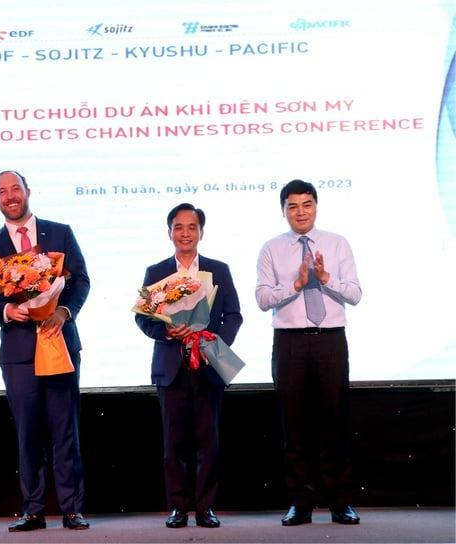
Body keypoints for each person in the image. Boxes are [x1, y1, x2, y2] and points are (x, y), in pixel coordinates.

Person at [0, 170, 91, 532]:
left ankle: (72, 508)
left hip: (58, 341)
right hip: (19, 350)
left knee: (64, 428)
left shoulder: (60, 232)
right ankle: (34, 508)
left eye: (15, 189)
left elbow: (81, 280)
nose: (10, 196)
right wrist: (8, 310)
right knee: (28, 431)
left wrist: (63, 310)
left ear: (28, 192)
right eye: (2, 192)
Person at [255, 179, 362, 526]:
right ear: (283, 210)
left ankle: (339, 502)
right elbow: (262, 299)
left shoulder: (337, 243)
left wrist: (326, 278)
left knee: (334, 420)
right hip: (290, 342)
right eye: (293, 206)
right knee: (294, 424)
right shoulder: (271, 248)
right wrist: (297, 285)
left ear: (316, 206)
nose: (300, 212)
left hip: (330, 338)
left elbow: (356, 294)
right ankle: (300, 502)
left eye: (307, 204)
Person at [135, 203, 242, 529]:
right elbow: (142, 317)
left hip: (208, 365)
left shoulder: (218, 269)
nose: (185, 233)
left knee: (208, 442)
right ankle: (178, 507)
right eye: (179, 227)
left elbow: (234, 315)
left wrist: (212, 342)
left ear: (201, 232)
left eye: (192, 227)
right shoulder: (156, 273)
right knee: (174, 443)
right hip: (171, 367)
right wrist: (166, 330)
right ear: (170, 232)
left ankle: (206, 507)